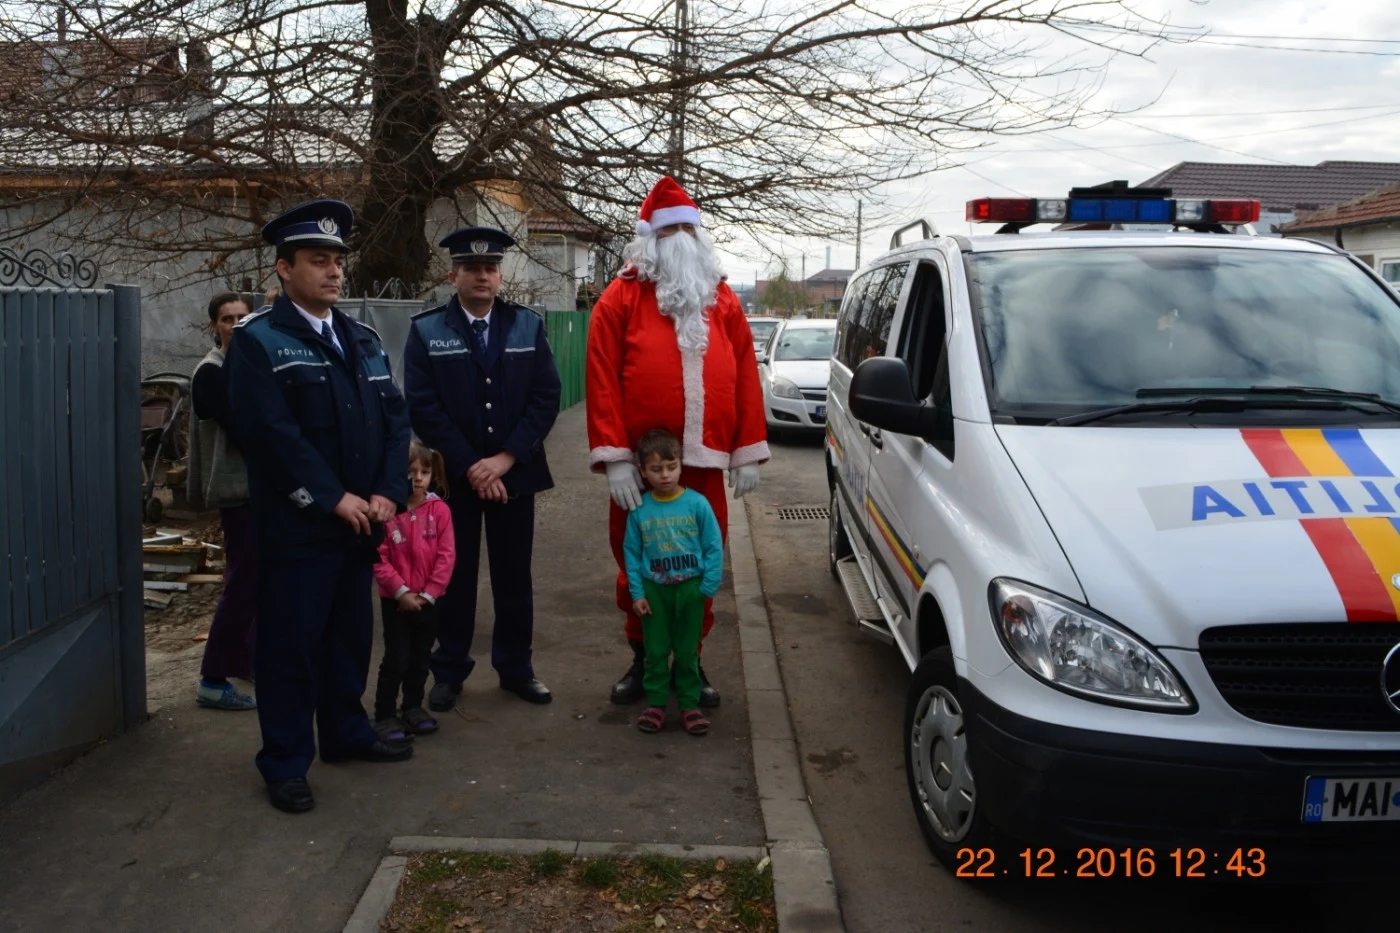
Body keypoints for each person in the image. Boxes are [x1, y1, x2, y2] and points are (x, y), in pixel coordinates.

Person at [226, 198, 414, 814]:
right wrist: (332, 499)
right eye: (317, 260)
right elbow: (270, 437)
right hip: (300, 527)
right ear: (284, 269)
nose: (334, 271)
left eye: (337, 260)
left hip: (361, 523)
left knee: (348, 639)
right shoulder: (260, 341)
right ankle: (285, 762)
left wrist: (389, 490)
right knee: (291, 648)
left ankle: (345, 733)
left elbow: (394, 420)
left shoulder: (361, 338)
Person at [586, 176, 769, 706]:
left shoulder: (722, 298)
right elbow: (600, 376)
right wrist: (615, 458)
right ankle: (644, 659)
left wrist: (747, 449)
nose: (682, 239)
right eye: (671, 231)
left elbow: (744, 371)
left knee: (701, 561)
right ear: (650, 238)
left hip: (705, 466)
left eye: (689, 228)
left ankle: (689, 660)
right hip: (642, 469)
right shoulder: (621, 297)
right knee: (638, 563)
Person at [404, 226, 562, 710]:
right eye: (471, 268)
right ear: (452, 275)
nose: (482, 276)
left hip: (515, 473)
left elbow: (545, 397)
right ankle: (449, 670)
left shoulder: (527, 325)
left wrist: (504, 460)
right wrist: (473, 465)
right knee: (452, 576)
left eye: (490, 268)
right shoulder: (427, 330)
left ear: (500, 276)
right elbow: (424, 407)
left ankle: (516, 669)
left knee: (514, 577)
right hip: (456, 479)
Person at [624, 429, 723, 736]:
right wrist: (637, 593)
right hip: (654, 592)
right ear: (643, 471)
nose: (665, 475)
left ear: (681, 466)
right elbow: (632, 553)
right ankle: (656, 703)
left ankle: (689, 704)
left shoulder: (698, 504)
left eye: (671, 467)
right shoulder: (640, 509)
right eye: (656, 469)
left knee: (687, 651)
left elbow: (713, 546)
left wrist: (707, 587)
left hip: (691, 589)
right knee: (655, 650)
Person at [187, 292, 257, 711]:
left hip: (255, 491)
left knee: (256, 580)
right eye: (227, 319)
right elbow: (245, 430)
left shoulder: (244, 365)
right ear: (214, 326)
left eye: (241, 317)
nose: (235, 325)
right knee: (242, 584)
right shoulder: (211, 372)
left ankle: (247, 661)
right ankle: (212, 680)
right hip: (236, 492)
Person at [371, 441, 456, 742]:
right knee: (396, 658)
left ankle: (412, 707)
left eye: (425, 472)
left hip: (428, 602)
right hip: (396, 602)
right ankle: (384, 714)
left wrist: (428, 594)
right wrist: (401, 592)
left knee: (420, 657)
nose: (418, 478)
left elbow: (447, 556)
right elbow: (378, 558)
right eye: (410, 472)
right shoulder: (387, 513)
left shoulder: (440, 511)